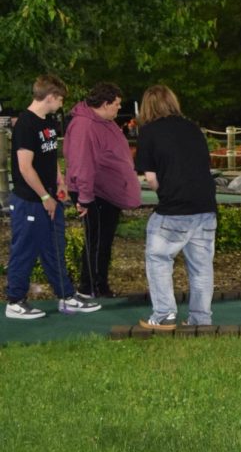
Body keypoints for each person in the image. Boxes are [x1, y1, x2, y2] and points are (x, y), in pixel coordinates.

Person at [4, 74, 101, 320]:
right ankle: (15, 302)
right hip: (30, 201)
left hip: (49, 198)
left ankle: (66, 297)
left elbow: (49, 157)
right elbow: (25, 168)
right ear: (50, 97)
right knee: (24, 250)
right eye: (60, 100)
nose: (61, 104)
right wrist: (45, 196)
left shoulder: (47, 122)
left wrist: (60, 182)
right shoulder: (26, 124)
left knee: (55, 248)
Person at [133, 84, 217, 329]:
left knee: (158, 257)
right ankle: (201, 319)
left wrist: (164, 190)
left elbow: (150, 178)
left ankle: (163, 314)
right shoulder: (193, 128)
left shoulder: (149, 132)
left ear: (148, 107)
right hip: (205, 206)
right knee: (201, 266)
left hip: (175, 208)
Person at [63, 82, 142, 296]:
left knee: (103, 241)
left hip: (104, 191)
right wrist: (86, 198)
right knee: (97, 241)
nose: (119, 108)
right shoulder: (84, 125)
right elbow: (81, 164)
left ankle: (98, 284)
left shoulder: (103, 121)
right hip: (94, 193)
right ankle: (90, 288)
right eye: (116, 104)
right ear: (105, 104)